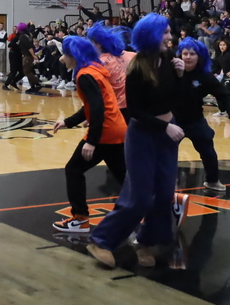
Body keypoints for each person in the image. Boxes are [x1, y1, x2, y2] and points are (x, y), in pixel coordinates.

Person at [87, 14, 185, 269]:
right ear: (151, 36)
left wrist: (180, 76)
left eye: (169, 32)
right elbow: (135, 111)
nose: (170, 37)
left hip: (166, 135)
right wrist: (165, 126)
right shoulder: (137, 68)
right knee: (139, 197)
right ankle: (100, 240)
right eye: (165, 32)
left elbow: (175, 99)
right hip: (143, 135)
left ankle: (146, 242)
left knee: (164, 194)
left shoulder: (168, 60)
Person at [52, 36, 128, 234]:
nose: (61, 59)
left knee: (73, 169)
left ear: (74, 55)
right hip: (117, 127)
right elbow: (91, 105)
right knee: (125, 176)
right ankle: (167, 203)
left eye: (64, 54)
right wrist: (68, 121)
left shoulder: (84, 75)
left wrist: (92, 141)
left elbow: (97, 108)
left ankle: (80, 218)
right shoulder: (95, 70)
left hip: (105, 131)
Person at [174, 38, 230, 192]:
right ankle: (166, 181)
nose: (188, 57)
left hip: (195, 119)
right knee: (166, 152)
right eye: (185, 53)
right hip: (173, 120)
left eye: (192, 54)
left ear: (199, 56)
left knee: (208, 152)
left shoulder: (205, 76)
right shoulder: (170, 73)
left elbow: (225, 95)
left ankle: (212, 181)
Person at [87, 23, 135, 120]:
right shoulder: (130, 55)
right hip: (136, 106)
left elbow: (97, 95)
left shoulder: (99, 64)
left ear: (98, 44)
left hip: (116, 109)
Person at [3, 24, 26, 90]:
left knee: (22, 72)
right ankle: (6, 85)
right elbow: (10, 45)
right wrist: (18, 45)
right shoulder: (17, 37)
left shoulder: (23, 37)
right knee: (13, 71)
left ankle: (13, 82)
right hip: (13, 55)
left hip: (18, 55)